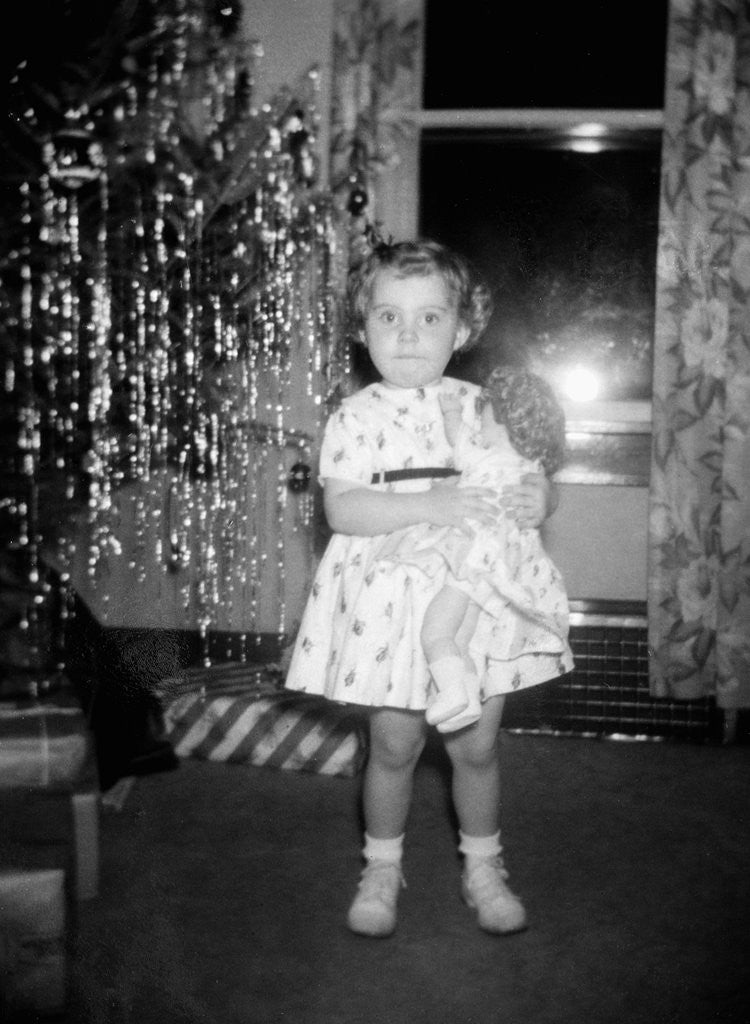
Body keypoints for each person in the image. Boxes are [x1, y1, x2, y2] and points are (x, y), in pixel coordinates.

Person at [284, 240, 572, 939]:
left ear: (463, 329)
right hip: (390, 604)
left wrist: (541, 499)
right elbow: (343, 511)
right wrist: (428, 506)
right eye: (389, 316)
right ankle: (381, 866)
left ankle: (484, 864)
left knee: (475, 747)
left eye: (429, 318)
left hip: (475, 600)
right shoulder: (355, 417)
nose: (408, 334)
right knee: (394, 747)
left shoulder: (483, 406)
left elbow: (523, 479)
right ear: (362, 327)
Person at [377, 367, 571, 734]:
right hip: (498, 570)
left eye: (483, 414)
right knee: (463, 638)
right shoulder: (527, 465)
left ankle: (450, 690)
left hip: (471, 560)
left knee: (437, 631)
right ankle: (463, 697)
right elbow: (543, 487)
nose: (477, 420)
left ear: (500, 420)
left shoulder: (486, 455)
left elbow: (459, 439)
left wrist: (452, 415)